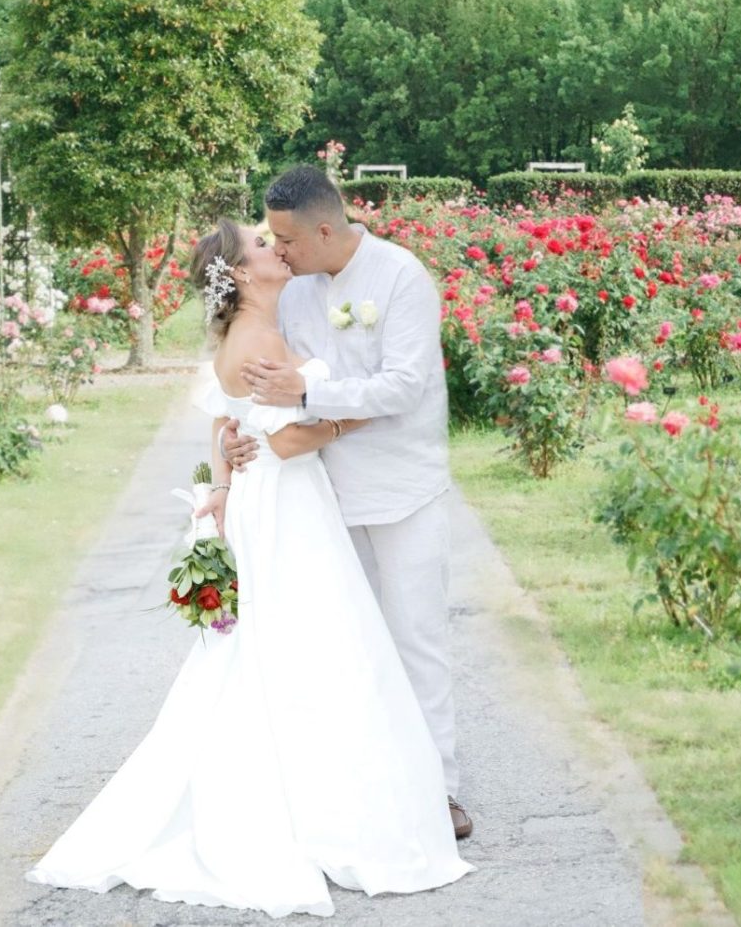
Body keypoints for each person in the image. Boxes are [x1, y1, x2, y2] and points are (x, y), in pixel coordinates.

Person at [25, 218, 472, 918]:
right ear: (237, 274)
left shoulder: (258, 327)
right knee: (315, 647)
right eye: (262, 246)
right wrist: (356, 414)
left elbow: (223, 417)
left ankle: (315, 789)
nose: (276, 249)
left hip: (274, 501)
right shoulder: (261, 337)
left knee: (284, 649)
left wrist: (230, 467)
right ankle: (321, 803)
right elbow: (290, 438)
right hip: (290, 500)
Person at [224, 164, 471, 840]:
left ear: (325, 228)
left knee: (417, 637)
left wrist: (306, 399)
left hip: (404, 488)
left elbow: (402, 386)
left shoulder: (400, 277)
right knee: (354, 647)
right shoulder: (298, 292)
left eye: (286, 240)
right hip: (324, 493)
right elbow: (271, 377)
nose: (278, 252)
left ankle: (441, 789)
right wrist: (242, 435)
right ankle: (375, 785)